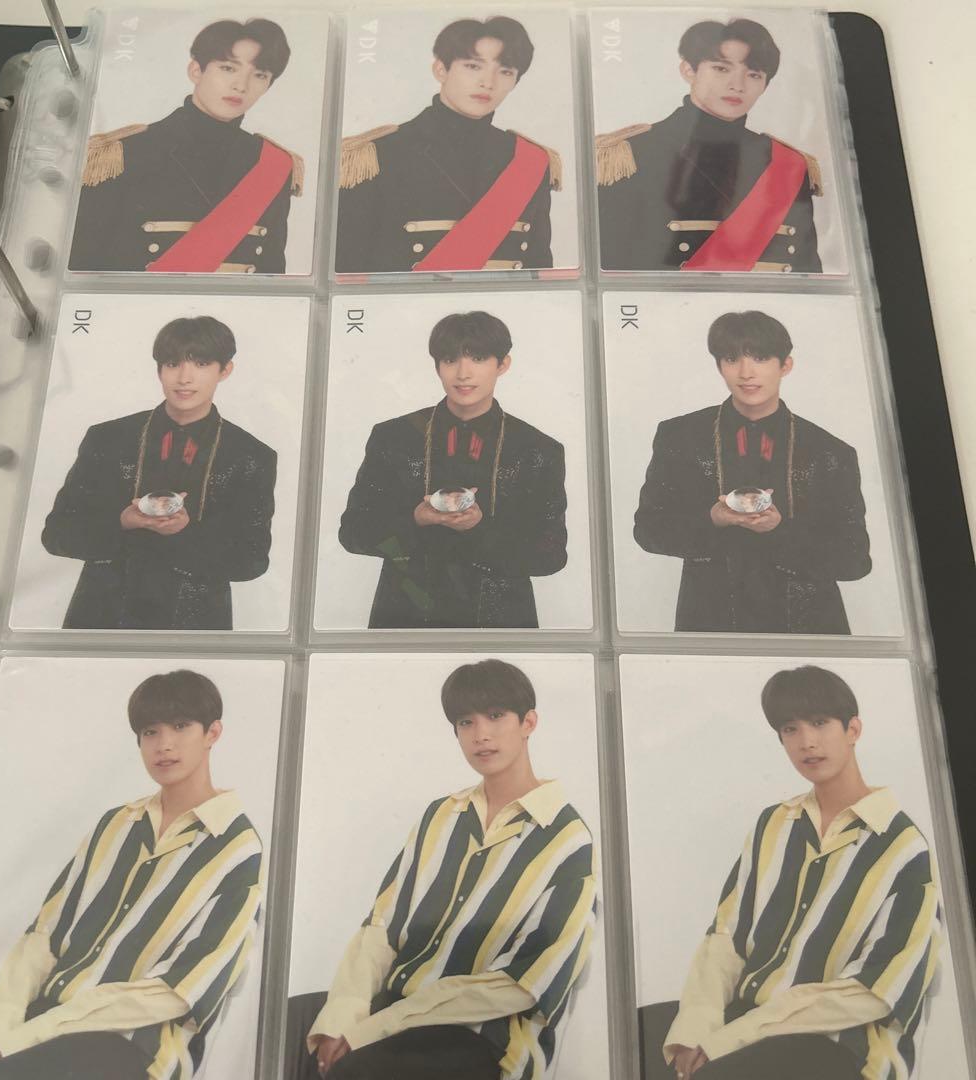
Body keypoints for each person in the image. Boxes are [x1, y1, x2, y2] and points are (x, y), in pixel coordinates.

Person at [0, 670, 264, 1080]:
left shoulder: (238, 847)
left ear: (213, 732)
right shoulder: (116, 824)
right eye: (150, 731)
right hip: (48, 1013)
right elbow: (44, 936)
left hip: (132, 1043)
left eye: (181, 726)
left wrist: (32, 1034)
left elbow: (179, 990)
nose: (164, 744)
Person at [308, 659, 596, 1080]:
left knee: (360, 1072)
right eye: (466, 722)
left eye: (496, 716)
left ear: (529, 723)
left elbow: (523, 981)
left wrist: (378, 1026)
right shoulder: (440, 816)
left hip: (484, 1038)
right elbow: (381, 928)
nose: (481, 734)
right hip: (394, 1022)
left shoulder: (567, 838)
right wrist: (342, 1018)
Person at [664, 665, 941, 1080]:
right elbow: (726, 937)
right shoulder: (773, 824)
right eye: (790, 729)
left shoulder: (904, 848)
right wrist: (695, 1031)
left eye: (820, 722)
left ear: (853, 729)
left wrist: (732, 1038)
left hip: (843, 1047)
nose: (807, 742)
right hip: (752, 1020)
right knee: (643, 1037)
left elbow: (873, 990)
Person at [633, 309, 871, 634]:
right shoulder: (681, 437)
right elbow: (648, 530)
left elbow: (855, 559)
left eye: (760, 358)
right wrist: (712, 519)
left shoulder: (829, 452)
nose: (746, 373)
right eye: (732, 359)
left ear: (785, 365)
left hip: (808, 625)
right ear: (719, 366)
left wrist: (779, 529)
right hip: (711, 622)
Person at [42, 315, 276, 630]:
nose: (184, 378)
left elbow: (253, 560)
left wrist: (185, 531)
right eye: (172, 363)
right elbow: (56, 534)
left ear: (225, 370)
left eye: (201, 364)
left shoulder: (250, 455)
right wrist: (122, 522)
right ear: (159, 370)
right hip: (100, 618)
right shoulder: (108, 438)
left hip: (195, 626)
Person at [338, 311, 567, 628]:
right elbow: (353, 533)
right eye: (450, 359)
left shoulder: (537, 449)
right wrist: (416, 519)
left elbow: (552, 555)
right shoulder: (394, 437)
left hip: (501, 623)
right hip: (405, 618)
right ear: (437, 366)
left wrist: (479, 528)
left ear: (502, 364)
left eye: (478, 358)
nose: (463, 373)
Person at [69, 18, 303, 274]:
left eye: (259, 75)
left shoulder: (273, 164)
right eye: (228, 68)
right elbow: (83, 268)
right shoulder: (120, 155)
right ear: (196, 71)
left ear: (268, 85)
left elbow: (272, 275)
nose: (241, 85)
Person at [596, 18, 823, 273]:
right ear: (688, 70)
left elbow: (808, 273)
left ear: (765, 85)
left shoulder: (787, 164)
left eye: (754, 75)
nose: (737, 85)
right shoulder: (629, 155)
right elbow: (611, 267)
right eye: (721, 69)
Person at [336, 16, 561, 273]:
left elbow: (540, 272)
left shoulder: (530, 160)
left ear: (515, 82)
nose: (488, 82)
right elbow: (348, 272)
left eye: (505, 71)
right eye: (473, 66)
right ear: (440, 70)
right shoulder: (375, 155)